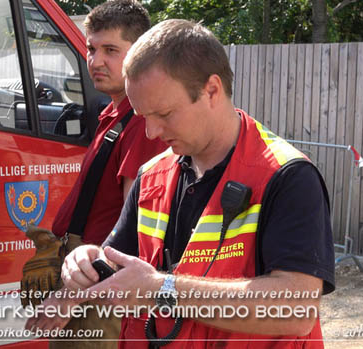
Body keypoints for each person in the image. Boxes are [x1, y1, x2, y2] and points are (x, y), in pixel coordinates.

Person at [29, 19, 335, 347]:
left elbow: (296, 310)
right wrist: (86, 265)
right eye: (143, 116)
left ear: (212, 90)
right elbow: (120, 263)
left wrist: (164, 290)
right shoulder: (152, 176)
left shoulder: (286, 175)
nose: (151, 132)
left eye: (164, 114)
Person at [21, 1, 165, 347]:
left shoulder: (142, 122)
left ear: (141, 55)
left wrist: (70, 296)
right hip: (85, 277)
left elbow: (136, 233)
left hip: (100, 286)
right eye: (91, 48)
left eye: (111, 50)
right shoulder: (114, 115)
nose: (95, 61)